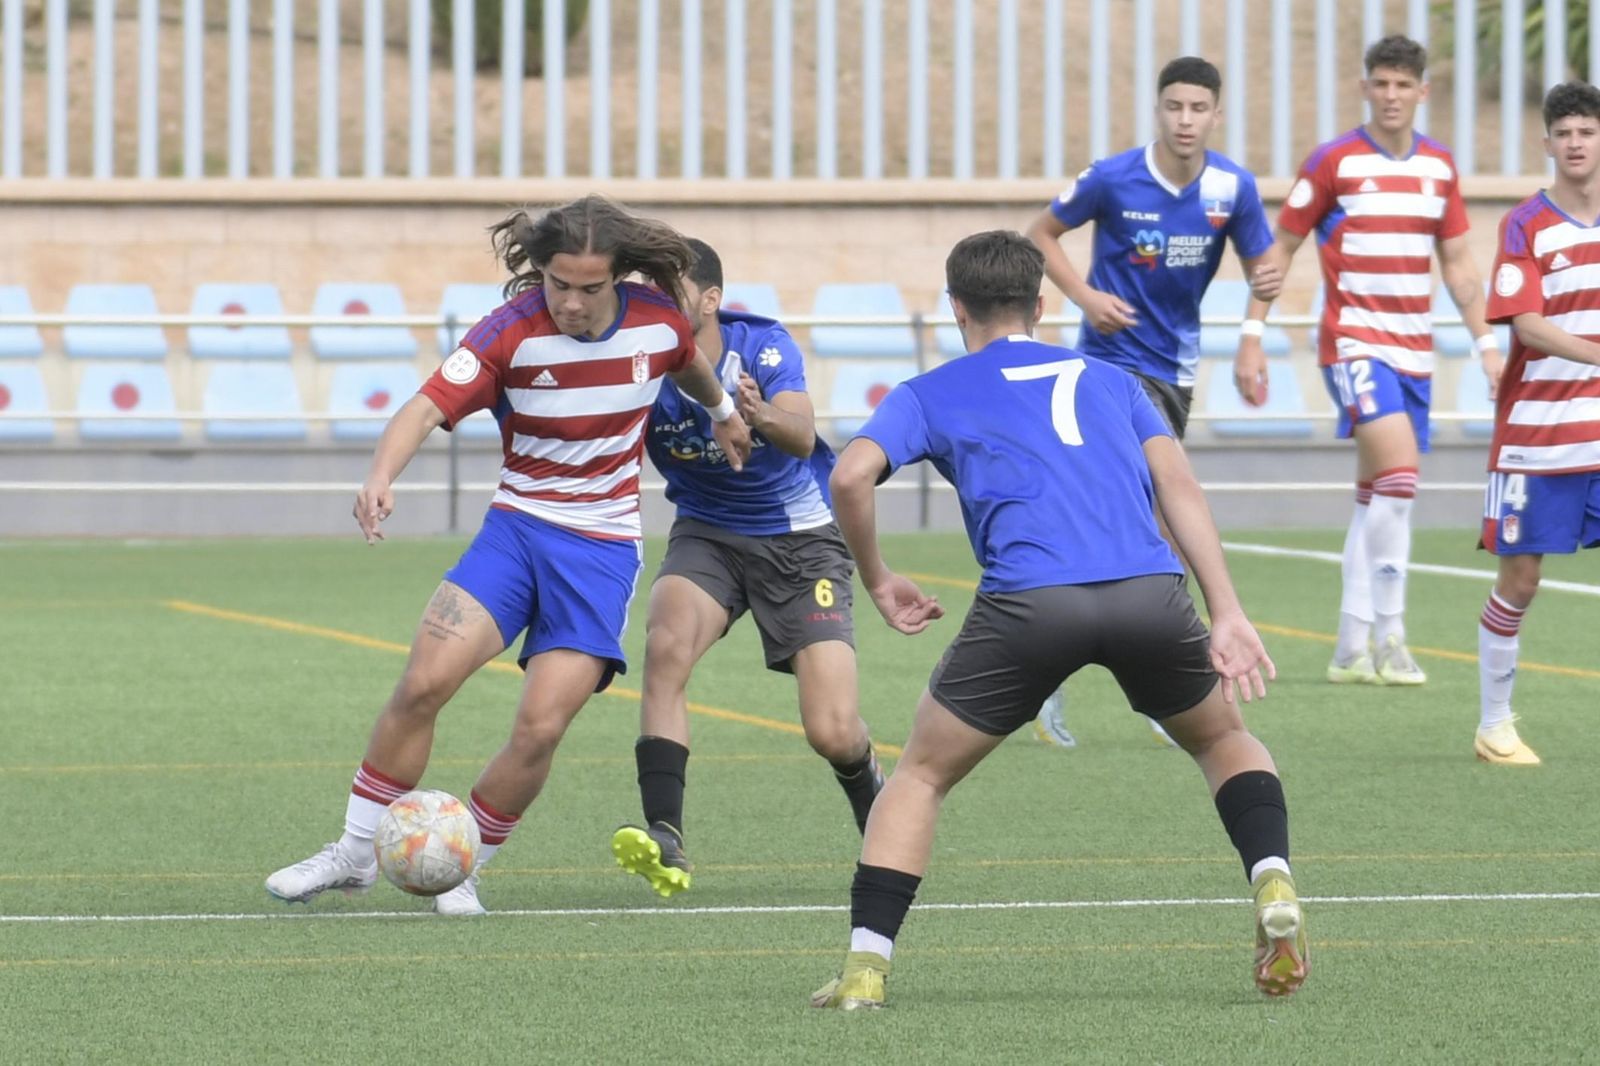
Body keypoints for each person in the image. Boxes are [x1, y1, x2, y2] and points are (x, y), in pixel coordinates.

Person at [811, 230, 1307, 1010]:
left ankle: (866, 968)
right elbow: (1178, 486)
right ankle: (1272, 878)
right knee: (1223, 740)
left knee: (922, 775)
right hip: (1149, 593)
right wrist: (1227, 610)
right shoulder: (1114, 380)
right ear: (1041, 306)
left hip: (1030, 604)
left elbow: (849, 476)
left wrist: (876, 578)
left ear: (956, 308)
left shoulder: (929, 390)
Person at [265, 195, 752, 916]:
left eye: (589, 288)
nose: (571, 302)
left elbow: (689, 365)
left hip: (601, 554)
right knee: (423, 683)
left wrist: (724, 414)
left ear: (619, 277)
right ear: (541, 271)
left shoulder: (658, 321)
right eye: (559, 283)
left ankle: (466, 867)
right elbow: (424, 407)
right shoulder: (508, 332)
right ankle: (354, 853)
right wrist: (379, 476)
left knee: (541, 727)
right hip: (515, 534)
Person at [610, 238, 883, 897]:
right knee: (666, 645)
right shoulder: (634, 356)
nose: (653, 301)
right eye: (646, 288)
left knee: (832, 731)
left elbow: (803, 434)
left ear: (710, 299)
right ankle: (666, 836)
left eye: (669, 289)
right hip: (706, 531)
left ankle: (873, 793)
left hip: (800, 540)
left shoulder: (761, 346)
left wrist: (756, 413)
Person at [1025, 55, 1280, 748]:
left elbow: (1265, 270)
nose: (1185, 120)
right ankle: (1165, 691)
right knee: (1159, 524)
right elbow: (1039, 234)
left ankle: (1079, 674)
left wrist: (1252, 338)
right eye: (1174, 106)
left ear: (1217, 114)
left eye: (1198, 108)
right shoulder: (1112, 177)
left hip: (1175, 372)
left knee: (1137, 528)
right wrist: (1086, 297)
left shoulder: (1232, 187)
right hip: (1107, 370)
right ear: (1158, 109)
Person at [1233, 35, 1504, 687]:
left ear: (1422, 92)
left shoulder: (1439, 167)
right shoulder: (1334, 161)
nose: (1391, 95)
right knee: (1402, 483)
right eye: (1380, 83)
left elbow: (1459, 265)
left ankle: (1349, 649)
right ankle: (1392, 638)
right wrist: (1250, 334)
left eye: (1403, 85)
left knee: (1376, 495)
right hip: (1353, 343)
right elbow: (1281, 249)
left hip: (1414, 351)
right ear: (1364, 88)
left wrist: (1488, 346)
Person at [1474, 82, 1600, 766]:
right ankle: (1494, 726)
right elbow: (1526, 324)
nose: (1576, 143)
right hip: (1537, 436)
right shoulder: (1525, 223)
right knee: (1520, 581)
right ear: (1547, 143)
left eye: (1588, 131)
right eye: (1565, 132)